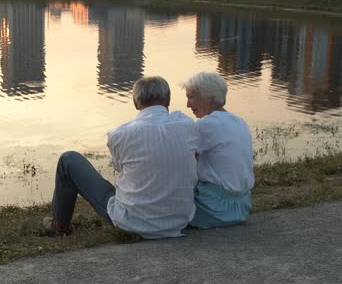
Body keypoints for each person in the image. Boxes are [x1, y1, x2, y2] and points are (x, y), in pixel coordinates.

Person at [43, 76, 198, 239]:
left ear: (135, 102)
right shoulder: (186, 124)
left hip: (133, 223)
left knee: (69, 160)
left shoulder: (120, 134)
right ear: (168, 101)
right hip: (179, 221)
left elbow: (119, 168)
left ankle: (60, 225)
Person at [182, 71, 254, 229]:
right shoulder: (239, 121)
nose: (188, 104)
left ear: (208, 97)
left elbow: (183, 163)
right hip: (242, 207)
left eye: (191, 97)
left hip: (216, 209)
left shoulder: (206, 124)